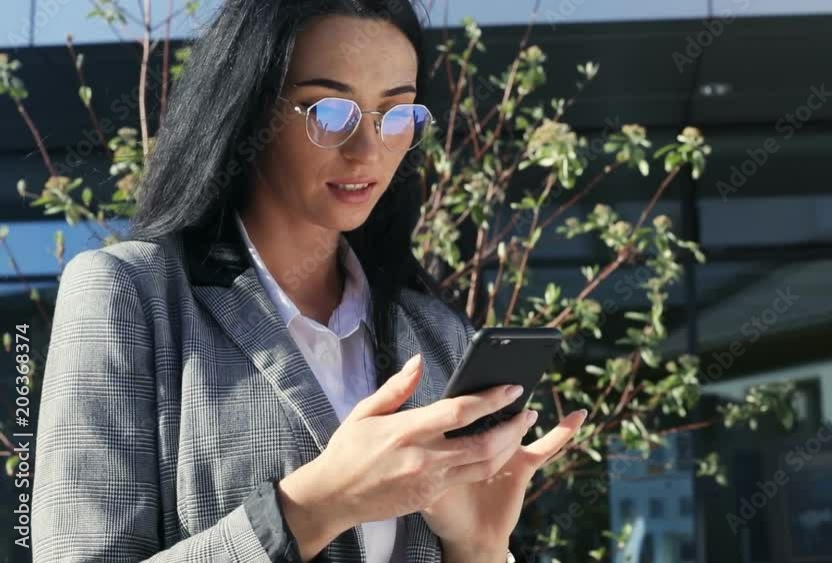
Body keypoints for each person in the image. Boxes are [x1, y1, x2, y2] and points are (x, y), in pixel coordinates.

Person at [31, 1, 588, 561]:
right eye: (328, 111)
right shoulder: (129, 294)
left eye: (396, 114)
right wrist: (315, 506)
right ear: (249, 110)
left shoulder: (439, 336)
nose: (367, 150)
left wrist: (480, 544)